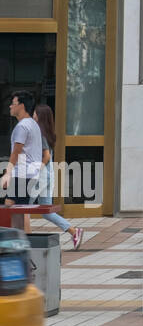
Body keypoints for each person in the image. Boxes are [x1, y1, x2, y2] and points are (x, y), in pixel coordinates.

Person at [32, 105, 84, 249]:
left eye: (34, 113)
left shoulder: (40, 134)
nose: (32, 115)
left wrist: (37, 170)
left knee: (23, 208)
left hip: (40, 177)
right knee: (46, 213)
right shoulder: (47, 133)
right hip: (48, 176)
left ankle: (22, 243)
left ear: (39, 116)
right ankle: (74, 231)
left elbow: (46, 156)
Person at [2, 92, 43, 206]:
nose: (10, 106)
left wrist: (7, 174)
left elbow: (16, 152)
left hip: (22, 175)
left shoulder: (22, 126)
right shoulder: (33, 124)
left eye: (13, 103)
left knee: (10, 206)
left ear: (22, 106)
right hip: (31, 174)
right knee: (22, 210)